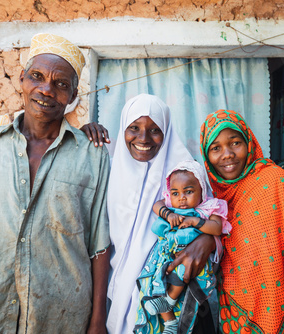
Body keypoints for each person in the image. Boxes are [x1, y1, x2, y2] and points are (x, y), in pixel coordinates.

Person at [0, 33, 111, 333]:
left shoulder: (92, 156)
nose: (46, 90)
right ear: (21, 78)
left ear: (72, 96)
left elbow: (100, 244)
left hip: (64, 318)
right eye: (37, 76)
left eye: (61, 84)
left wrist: (97, 322)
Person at [84, 94, 219, 334]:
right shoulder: (108, 168)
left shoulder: (185, 173)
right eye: (134, 128)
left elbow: (214, 221)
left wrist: (208, 240)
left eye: (155, 129)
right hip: (109, 290)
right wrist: (81, 135)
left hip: (168, 289)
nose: (143, 138)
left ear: (167, 130)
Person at [199, 109, 284, 334]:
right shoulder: (210, 198)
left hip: (280, 304)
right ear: (205, 155)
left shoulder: (276, 181)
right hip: (235, 310)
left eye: (235, 142)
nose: (227, 154)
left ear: (249, 143)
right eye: (215, 148)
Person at [135, 160, 232, 334]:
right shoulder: (171, 206)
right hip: (166, 255)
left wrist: (196, 221)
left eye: (188, 192)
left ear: (202, 189)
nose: (181, 198)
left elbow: (217, 228)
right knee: (157, 281)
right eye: (175, 193)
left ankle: (170, 300)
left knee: (179, 272)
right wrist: (168, 213)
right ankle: (169, 322)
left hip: (192, 261)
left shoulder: (208, 208)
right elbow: (157, 205)